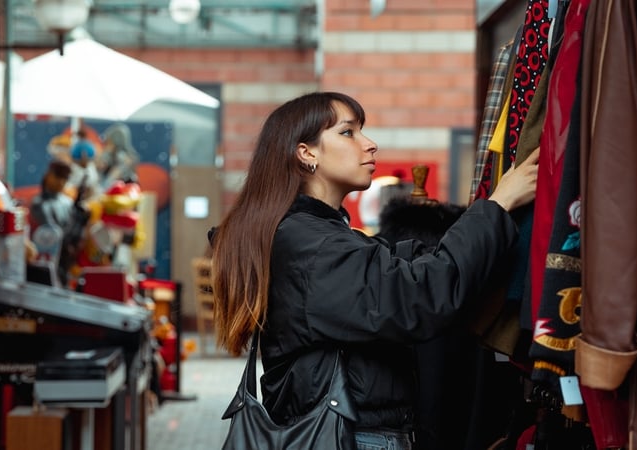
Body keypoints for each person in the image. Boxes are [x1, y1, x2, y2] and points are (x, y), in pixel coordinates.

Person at [210, 91, 538, 449]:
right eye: (348, 133)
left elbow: (400, 268)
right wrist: (499, 205)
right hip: (353, 438)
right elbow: (417, 296)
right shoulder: (312, 246)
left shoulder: (315, 236)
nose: (370, 145)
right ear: (307, 153)